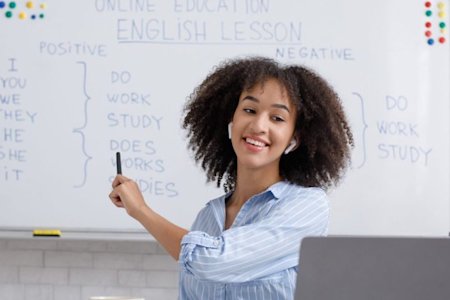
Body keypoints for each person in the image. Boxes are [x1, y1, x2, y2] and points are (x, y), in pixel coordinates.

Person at [109, 56, 353, 299]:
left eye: (277, 118)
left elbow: (210, 261)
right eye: (249, 110)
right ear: (231, 120)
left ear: (294, 138)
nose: (258, 125)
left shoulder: (306, 206)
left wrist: (141, 210)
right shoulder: (208, 217)